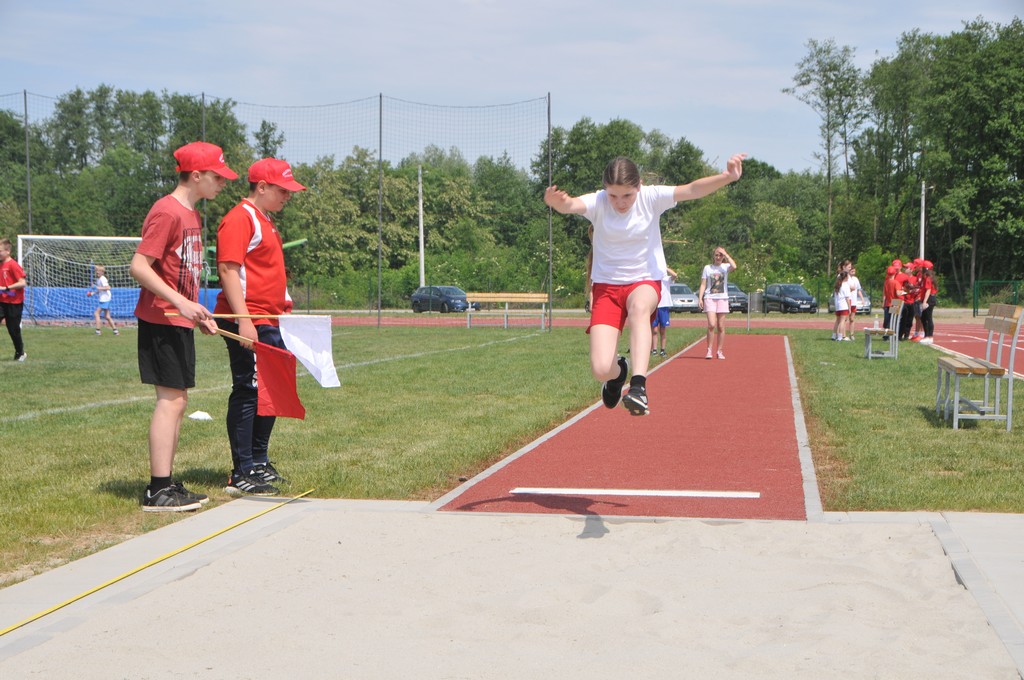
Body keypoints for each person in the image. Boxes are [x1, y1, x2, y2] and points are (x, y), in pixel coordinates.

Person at [544, 153, 746, 416]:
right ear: (605, 190)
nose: (620, 202)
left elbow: (693, 189)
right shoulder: (598, 202)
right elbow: (571, 205)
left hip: (644, 281)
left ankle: (638, 387)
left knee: (640, 308)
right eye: (613, 195)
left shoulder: (651, 197)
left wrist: (727, 177)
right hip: (606, 288)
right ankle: (619, 375)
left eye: (627, 195)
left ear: (638, 185)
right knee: (600, 368)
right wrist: (557, 203)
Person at [129, 141, 237, 512]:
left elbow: (183, 277)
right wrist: (181, 303)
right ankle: (158, 489)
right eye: (217, 176)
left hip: (178, 319)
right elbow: (139, 266)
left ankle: (167, 482)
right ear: (196, 175)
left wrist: (199, 313)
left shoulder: (191, 214)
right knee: (170, 401)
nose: (222, 183)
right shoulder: (168, 211)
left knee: (178, 401)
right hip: (161, 318)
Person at [215, 158, 306, 497]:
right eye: (283, 190)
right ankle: (241, 470)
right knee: (249, 389)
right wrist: (244, 320)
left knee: (271, 391)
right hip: (250, 319)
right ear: (262, 187)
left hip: (269, 319)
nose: (288, 197)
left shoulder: (265, 220)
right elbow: (227, 270)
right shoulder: (240, 218)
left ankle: (259, 461)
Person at [697, 247, 736, 359]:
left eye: (720, 255)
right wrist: (700, 298)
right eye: (716, 255)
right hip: (710, 298)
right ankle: (709, 350)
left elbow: (734, 266)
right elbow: (703, 284)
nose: (718, 257)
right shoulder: (707, 268)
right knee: (711, 324)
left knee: (721, 326)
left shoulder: (725, 267)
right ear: (713, 256)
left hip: (722, 298)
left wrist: (726, 254)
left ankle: (719, 351)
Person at [0, 237, 27, 361]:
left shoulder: (13, 265)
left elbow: (22, 283)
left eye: (0, 251)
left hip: (14, 302)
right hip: (2, 301)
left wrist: (6, 288)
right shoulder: (2, 265)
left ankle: (20, 352)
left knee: (13, 329)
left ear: (7, 251)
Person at [650, 266, 677, 357]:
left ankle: (662, 349)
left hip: (664, 306)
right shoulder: (653, 278)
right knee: (654, 329)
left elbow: (674, 275)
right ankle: (654, 349)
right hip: (655, 306)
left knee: (663, 329)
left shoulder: (667, 279)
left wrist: (665, 267)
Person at [90, 265, 119, 335]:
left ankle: (98, 331)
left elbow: (108, 287)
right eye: (96, 271)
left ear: (102, 272)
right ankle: (116, 331)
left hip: (105, 299)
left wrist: (97, 287)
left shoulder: (103, 279)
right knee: (107, 317)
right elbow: (100, 290)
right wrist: (93, 293)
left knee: (96, 313)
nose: (97, 272)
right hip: (104, 298)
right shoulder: (98, 280)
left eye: (99, 271)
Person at [918, 261, 938, 345]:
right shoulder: (927, 277)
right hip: (929, 298)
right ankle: (927, 336)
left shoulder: (928, 278)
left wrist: (924, 301)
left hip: (929, 299)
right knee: (923, 317)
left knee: (928, 317)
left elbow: (928, 290)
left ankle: (930, 336)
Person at [832, 271, 852, 341]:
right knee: (842, 321)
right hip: (843, 306)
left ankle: (834, 335)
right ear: (845, 277)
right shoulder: (845, 285)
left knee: (837, 321)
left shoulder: (837, 285)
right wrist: (849, 308)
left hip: (838, 306)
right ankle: (840, 337)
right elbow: (847, 298)